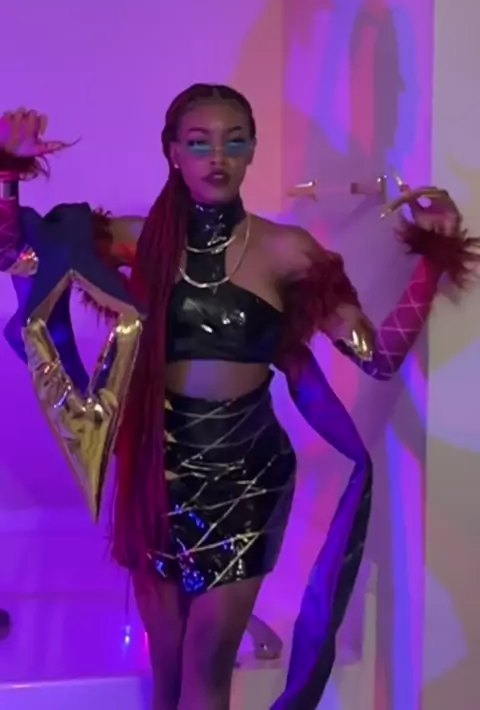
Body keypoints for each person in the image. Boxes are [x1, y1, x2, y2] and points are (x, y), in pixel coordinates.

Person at [0, 86, 477, 710]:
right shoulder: (137, 241)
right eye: (199, 143)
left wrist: (433, 259)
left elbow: (377, 356)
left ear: (252, 150)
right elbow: (20, 256)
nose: (218, 157)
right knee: (167, 669)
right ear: (173, 152)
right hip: (156, 476)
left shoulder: (288, 252)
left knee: (208, 665)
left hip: (247, 479)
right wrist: (8, 173)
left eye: (235, 141)